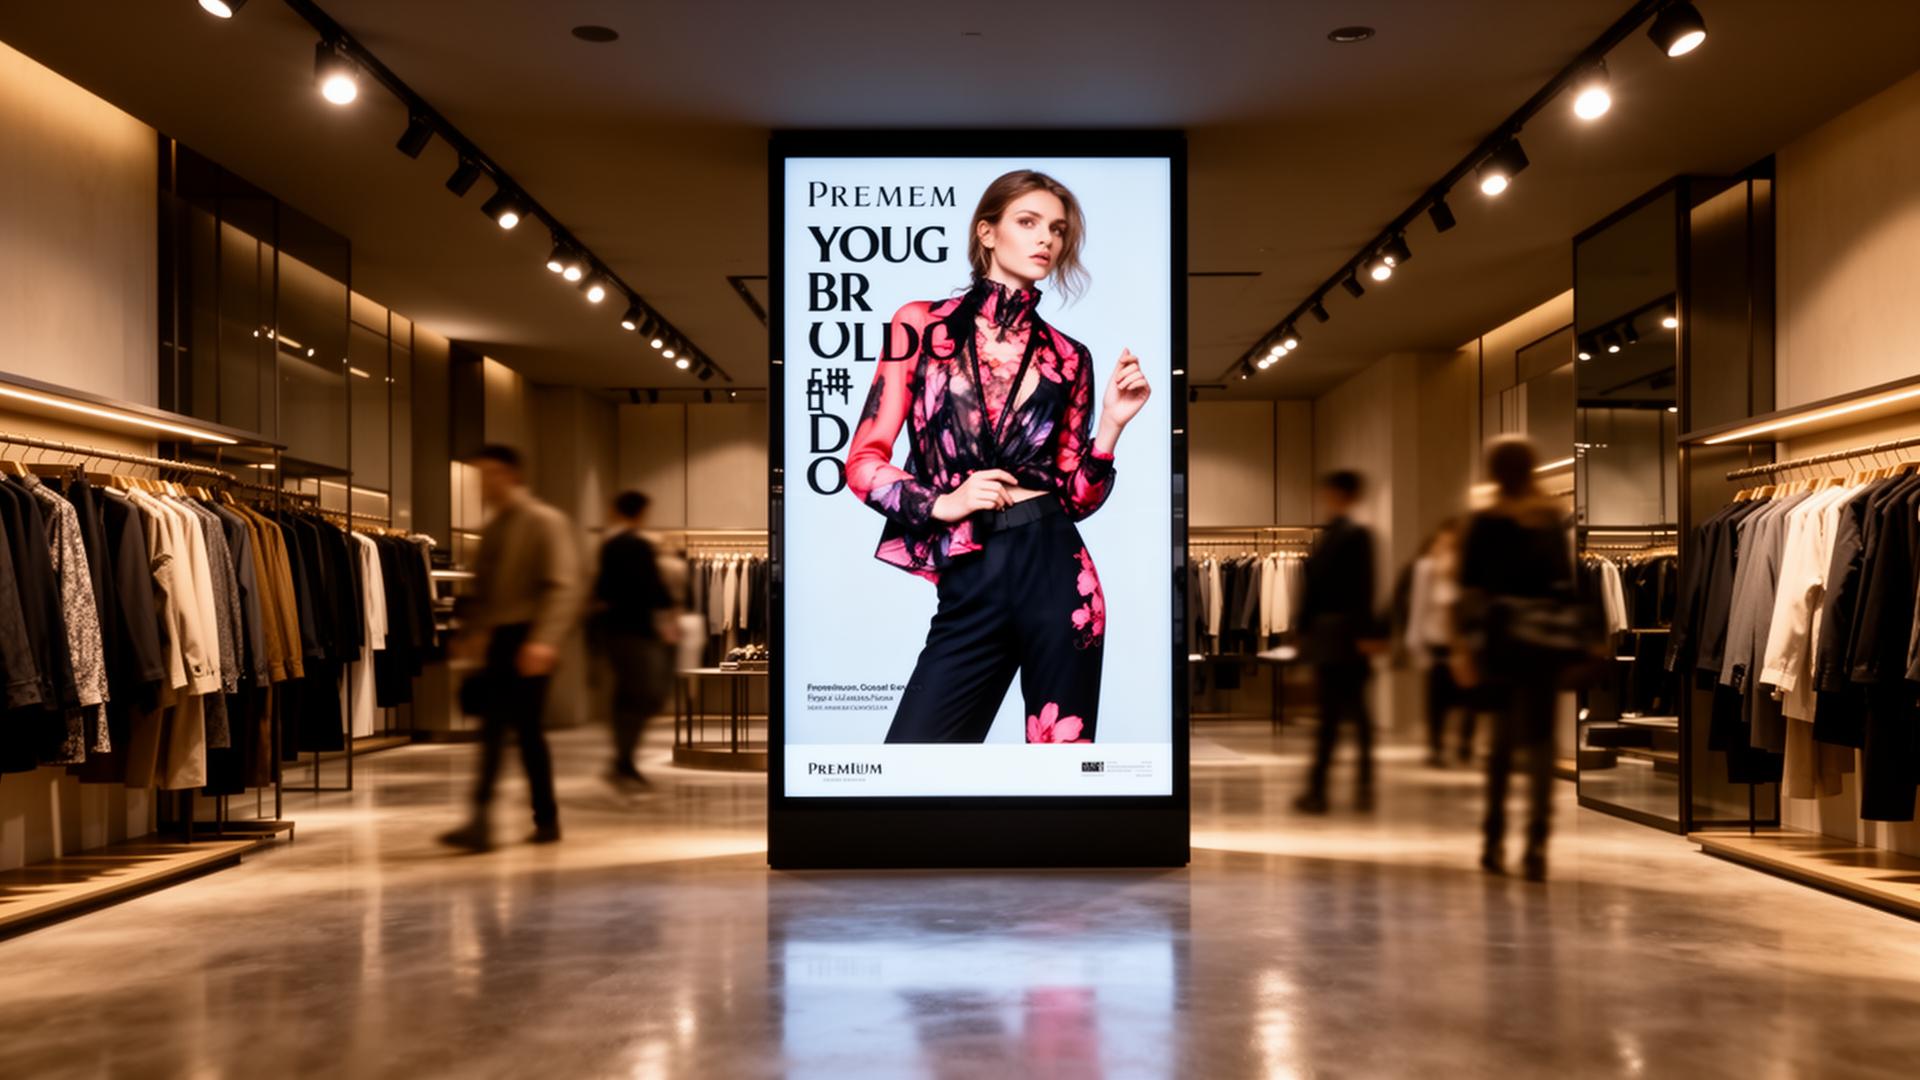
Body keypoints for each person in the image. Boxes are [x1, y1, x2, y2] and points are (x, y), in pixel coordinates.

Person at [845, 169, 1151, 744]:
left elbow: (1076, 497)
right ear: (987, 232)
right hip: (973, 571)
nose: (1047, 241)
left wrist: (1110, 425)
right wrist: (943, 502)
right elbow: (863, 462)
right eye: (1028, 222)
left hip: (1057, 567)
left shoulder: (1069, 357)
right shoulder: (919, 326)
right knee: (914, 762)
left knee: (1060, 773)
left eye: (1057, 230)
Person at [439, 445, 584, 852]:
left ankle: (541, 817)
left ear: (512, 474)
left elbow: (564, 585)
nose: (483, 485)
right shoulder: (495, 528)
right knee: (498, 729)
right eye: (479, 476)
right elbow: (483, 590)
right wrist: (471, 633)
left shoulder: (543, 521)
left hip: (528, 637)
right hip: (502, 640)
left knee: (524, 731)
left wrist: (544, 641)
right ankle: (490, 820)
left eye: (489, 475)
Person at [1452, 436, 1577, 881]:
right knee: (1541, 746)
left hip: (1498, 644)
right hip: (1540, 646)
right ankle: (1537, 845)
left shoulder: (1484, 522)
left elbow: (1467, 592)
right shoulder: (1549, 520)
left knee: (1501, 746)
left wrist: (1462, 648)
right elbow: (1564, 588)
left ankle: (1493, 839)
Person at [1293, 470, 1380, 814]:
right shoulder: (1336, 534)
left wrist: (1365, 634)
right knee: (1346, 714)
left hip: (1342, 637)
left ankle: (1330, 788)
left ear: (1342, 494)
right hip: (1331, 637)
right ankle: (1343, 786)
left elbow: (1363, 588)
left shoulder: (1354, 535)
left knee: (1345, 715)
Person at [594, 490, 677, 790]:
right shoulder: (639, 546)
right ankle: (623, 762)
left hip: (614, 630)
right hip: (638, 631)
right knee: (648, 694)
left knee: (627, 695)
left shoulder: (608, 546)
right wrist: (669, 612)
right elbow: (654, 589)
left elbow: (602, 590)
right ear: (640, 513)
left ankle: (623, 760)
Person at [1406, 521, 1475, 766]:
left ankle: (1465, 744)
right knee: (1437, 699)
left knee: (1470, 698)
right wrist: (1415, 642)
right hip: (1437, 641)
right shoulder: (1426, 568)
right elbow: (1418, 606)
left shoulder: (1466, 570)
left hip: (1463, 644)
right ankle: (1436, 746)